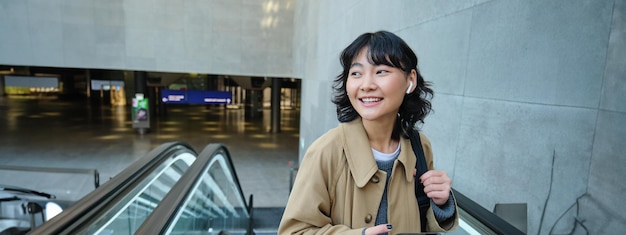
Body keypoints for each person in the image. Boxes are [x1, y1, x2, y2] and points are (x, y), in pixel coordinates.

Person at [278, 31, 458, 235]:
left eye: (381, 71)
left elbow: (421, 220)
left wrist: (441, 203)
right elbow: (294, 231)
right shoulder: (326, 151)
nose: (366, 85)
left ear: (410, 80)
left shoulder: (420, 146)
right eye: (356, 73)